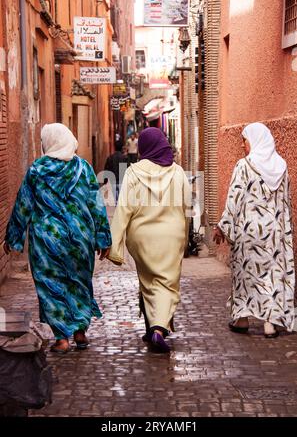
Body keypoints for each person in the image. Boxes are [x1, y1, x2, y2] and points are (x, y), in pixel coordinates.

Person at [4, 123, 112, 353]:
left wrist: (13, 237)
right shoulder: (83, 168)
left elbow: (23, 205)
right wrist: (103, 238)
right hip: (79, 239)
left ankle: (62, 338)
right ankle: (80, 331)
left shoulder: (37, 170)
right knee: (79, 283)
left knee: (50, 286)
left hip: (46, 241)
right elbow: (96, 205)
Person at [108, 127, 191, 353]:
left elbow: (124, 209)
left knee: (148, 281)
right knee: (167, 283)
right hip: (171, 237)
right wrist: (186, 237)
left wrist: (114, 244)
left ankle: (150, 327)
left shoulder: (134, 172)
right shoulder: (178, 172)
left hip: (142, 239)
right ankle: (158, 329)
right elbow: (187, 208)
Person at [214, 122, 296, 338]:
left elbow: (234, 198)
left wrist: (222, 226)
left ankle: (242, 319)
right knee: (272, 276)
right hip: (274, 234)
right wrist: (286, 233)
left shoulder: (244, 165)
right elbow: (286, 203)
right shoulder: (281, 166)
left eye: (245, 140)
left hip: (249, 233)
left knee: (246, 276)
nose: (243, 145)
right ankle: (270, 323)